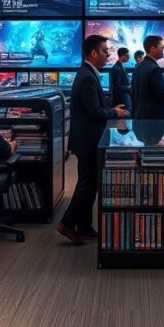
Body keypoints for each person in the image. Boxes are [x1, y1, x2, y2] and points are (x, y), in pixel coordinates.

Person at [57, 35, 128, 244]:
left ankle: (84, 226)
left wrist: (109, 109)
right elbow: (95, 111)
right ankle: (67, 224)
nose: (108, 54)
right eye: (105, 50)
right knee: (87, 184)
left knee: (89, 183)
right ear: (94, 53)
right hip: (88, 140)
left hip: (87, 138)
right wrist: (114, 112)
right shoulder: (87, 76)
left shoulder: (88, 73)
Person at [131, 35, 164, 119]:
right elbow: (162, 95)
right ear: (152, 48)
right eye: (162, 47)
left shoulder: (138, 67)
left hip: (140, 116)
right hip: (154, 119)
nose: (163, 49)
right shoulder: (154, 69)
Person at [109, 47, 132, 112]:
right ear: (122, 56)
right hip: (122, 99)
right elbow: (117, 86)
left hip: (124, 97)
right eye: (127, 55)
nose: (129, 57)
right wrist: (128, 87)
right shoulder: (117, 68)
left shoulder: (120, 66)